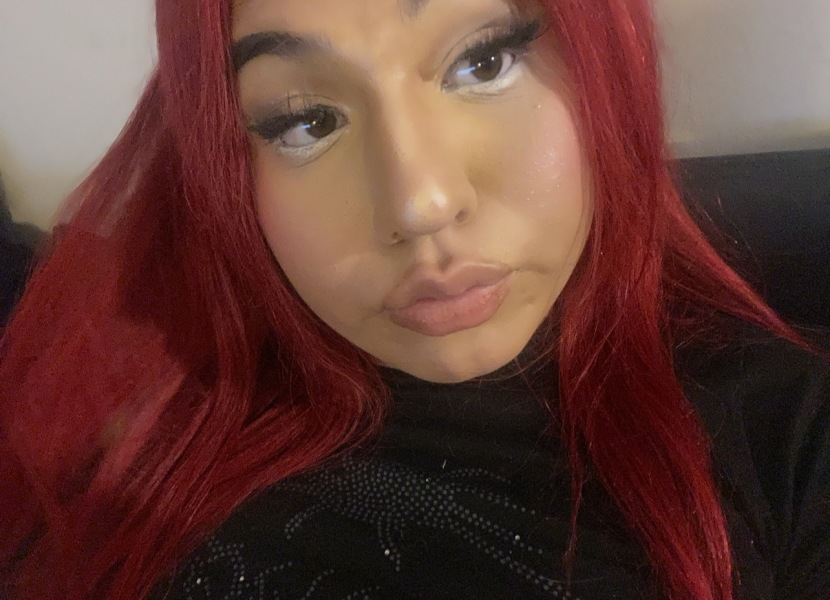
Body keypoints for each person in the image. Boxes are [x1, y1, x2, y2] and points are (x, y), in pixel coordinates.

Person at [0, 0, 827, 598]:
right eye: (304, 120)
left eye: (485, 61)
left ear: (604, 66)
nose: (421, 203)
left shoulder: (788, 437)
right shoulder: (150, 385)